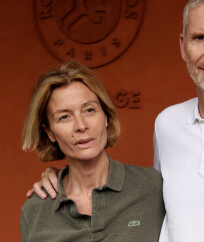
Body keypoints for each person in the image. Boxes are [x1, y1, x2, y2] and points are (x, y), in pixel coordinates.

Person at [29, 0, 204, 242]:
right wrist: (65, 178)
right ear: (183, 46)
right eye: (200, 38)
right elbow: (144, 197)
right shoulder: (168, 124)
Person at [20, 61, 165, 242]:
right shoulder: (35, 210)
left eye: (89, 110)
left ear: (105, 117)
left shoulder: (154, 188)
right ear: (49, 132)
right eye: (64, 117)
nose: (81, 126)